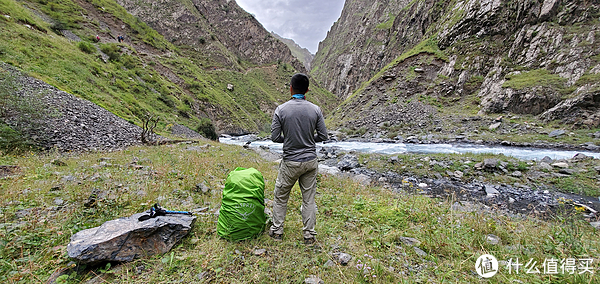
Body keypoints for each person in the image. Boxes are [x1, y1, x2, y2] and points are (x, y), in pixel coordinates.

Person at [269, 73, 328, 245]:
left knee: (281, 196)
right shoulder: (315, 109)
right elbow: (323, 135)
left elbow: (274, 137)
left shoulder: (281, 110)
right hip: (310, 161)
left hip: (290, 162)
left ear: (290, 89)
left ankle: (277, 231)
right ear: (307, 90)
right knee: (308, 198)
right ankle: (309, 235)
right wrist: (309, 139)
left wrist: (289, 140)